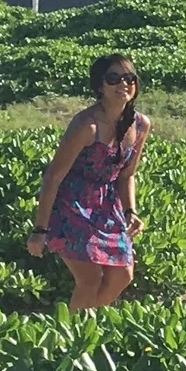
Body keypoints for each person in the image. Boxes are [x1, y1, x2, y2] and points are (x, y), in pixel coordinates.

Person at [28, 53, 150, 311]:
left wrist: (131, 211)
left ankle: (80, 326)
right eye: (113, 78)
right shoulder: (87, 125)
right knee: (90, 279)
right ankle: (71, 335)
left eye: (129, 78)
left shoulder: (140, 125)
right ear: (99, 86)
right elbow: (53, 176)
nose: (123, 84)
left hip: (107, 207)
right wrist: (40, 230)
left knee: (122, 276)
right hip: (71, 203)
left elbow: (127, 174)